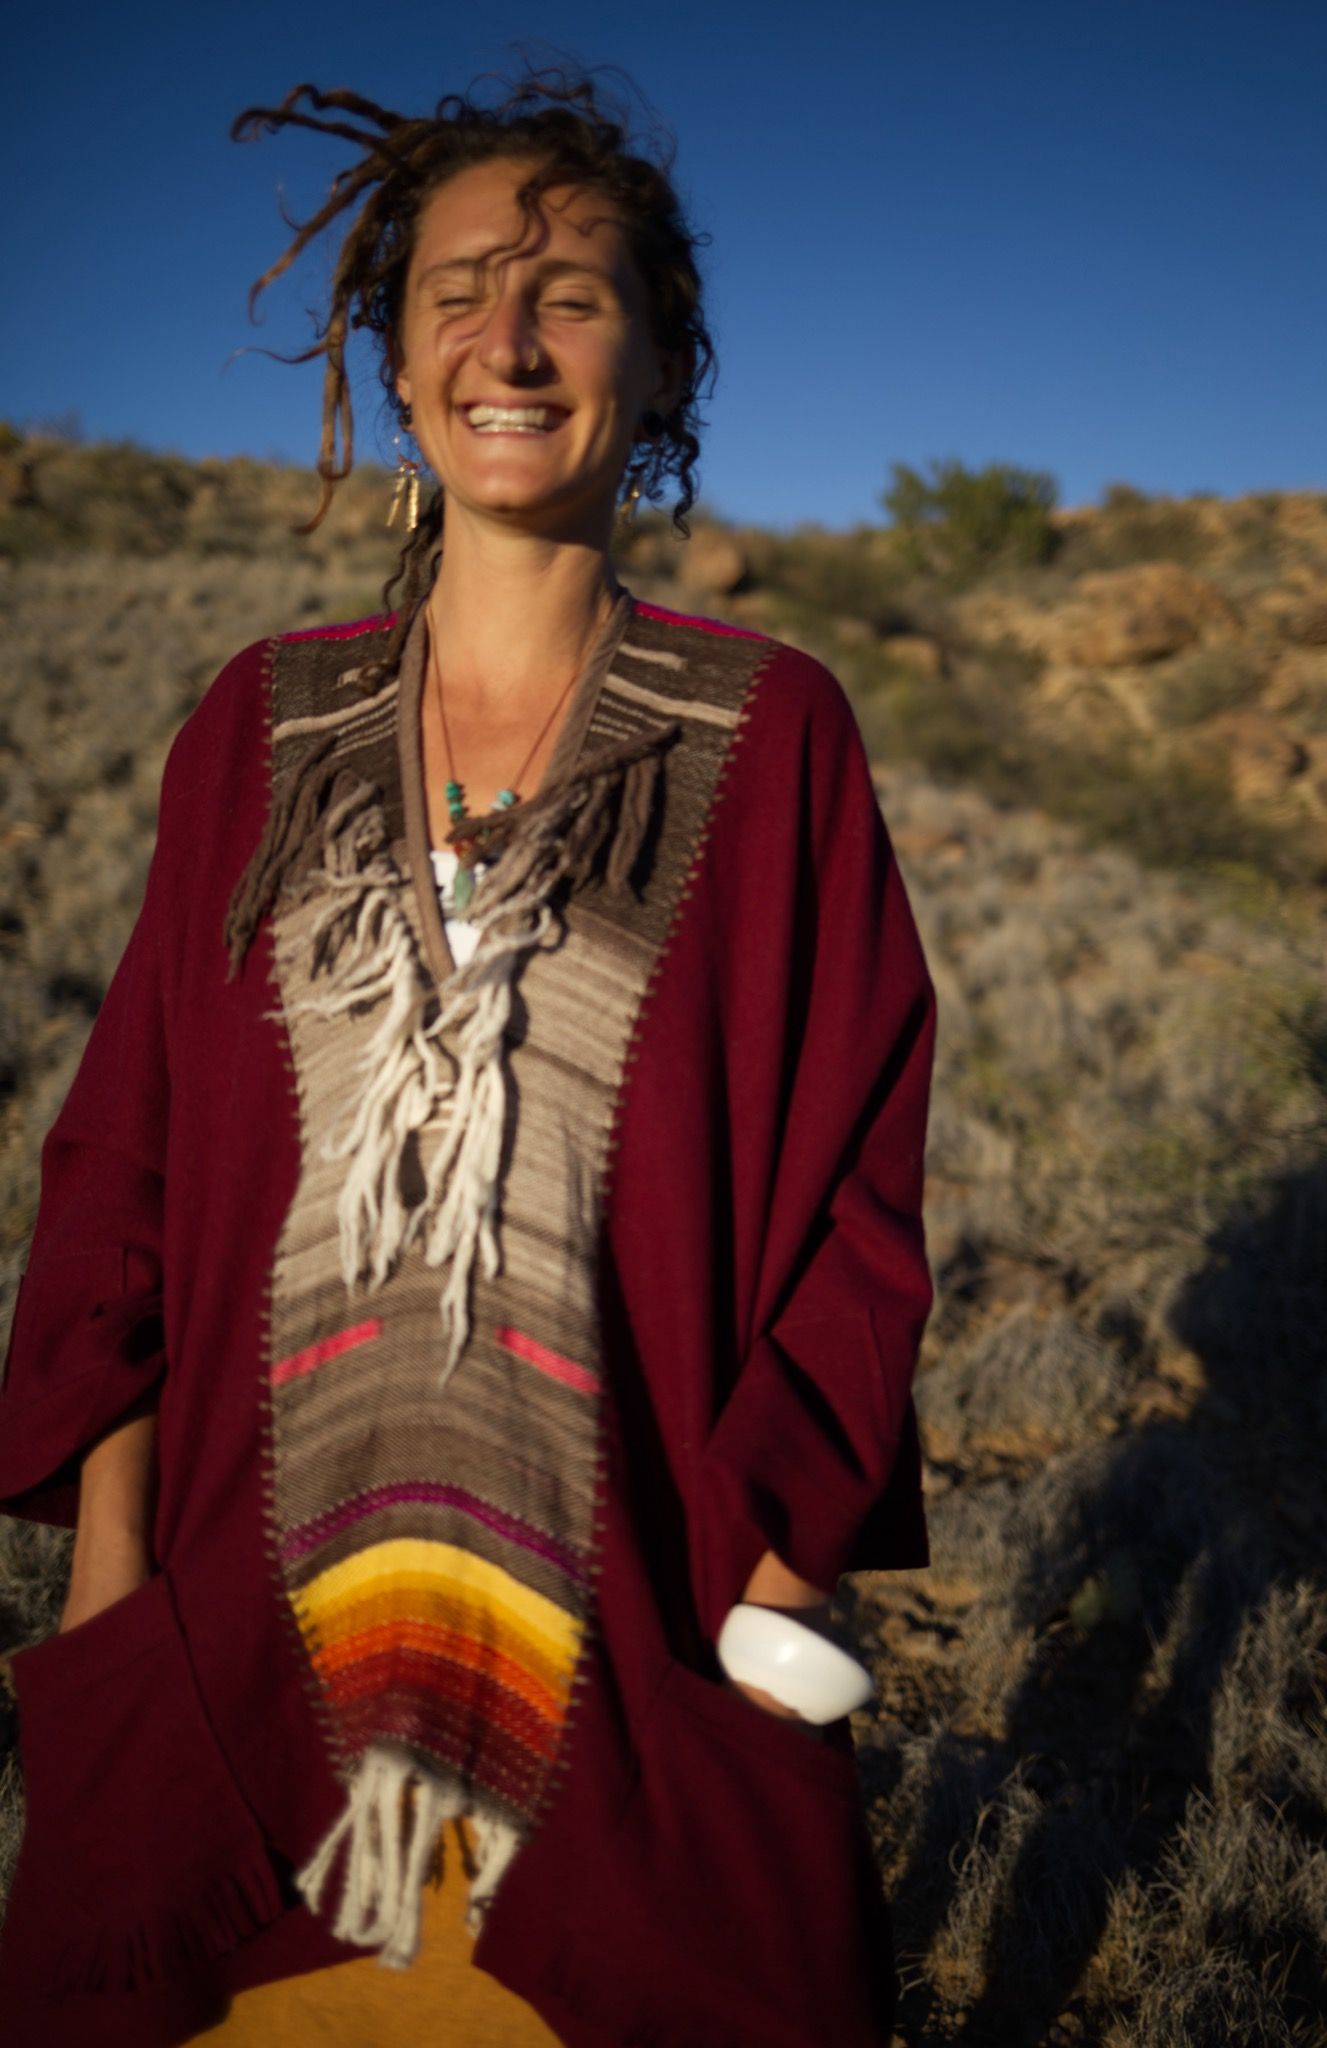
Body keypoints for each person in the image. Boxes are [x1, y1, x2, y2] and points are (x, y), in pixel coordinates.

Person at [0, 67, 936, 2048]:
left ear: (663, 361)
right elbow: (125, 1171)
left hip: (631, 1684)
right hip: (241, 1684)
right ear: (396, 352)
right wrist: (109, 1589)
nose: (507, 341)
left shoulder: (773, 740)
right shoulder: (257, 725)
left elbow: (856, 1184)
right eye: (456, 293)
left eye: (574, 292)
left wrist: (775, 1563)